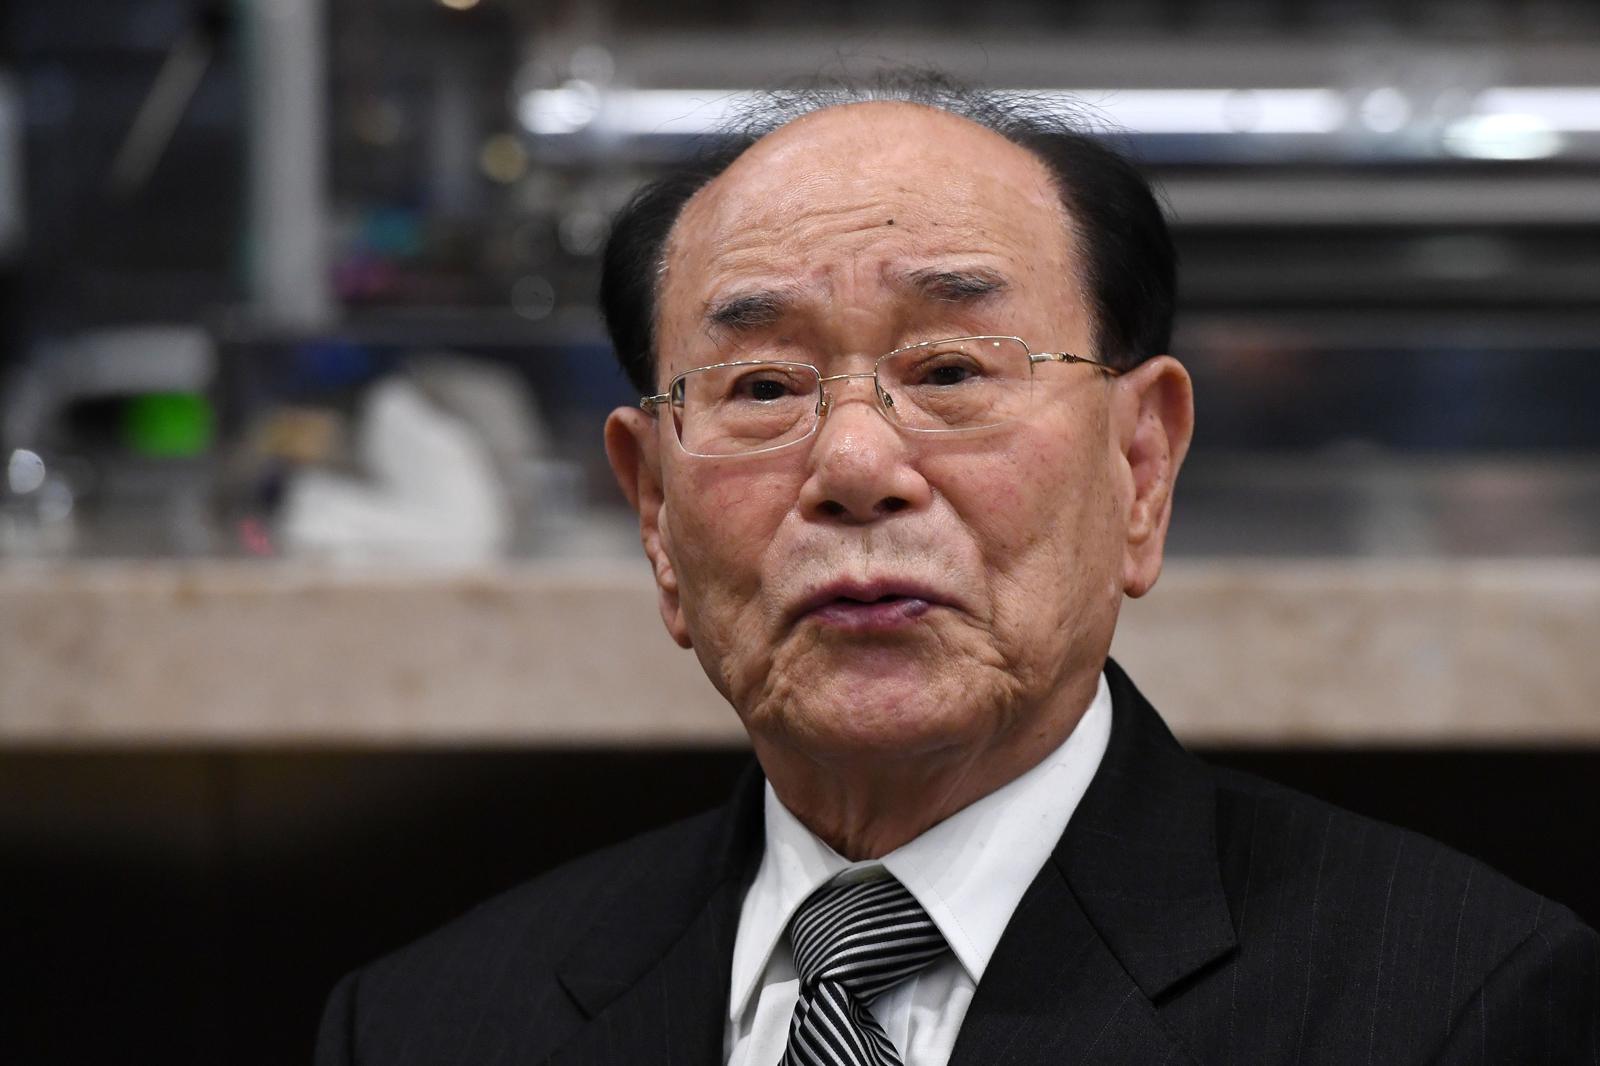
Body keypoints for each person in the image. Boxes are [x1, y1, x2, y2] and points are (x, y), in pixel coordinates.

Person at [316, 73, 1597, 1065]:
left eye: (949, 371)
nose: (854, 463)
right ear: (653, 508)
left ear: (1140, 465)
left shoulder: (1451, 1006)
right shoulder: (427, 1026)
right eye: (761, 387)